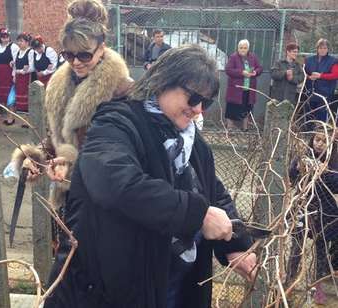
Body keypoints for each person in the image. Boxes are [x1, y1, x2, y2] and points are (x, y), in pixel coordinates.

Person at [43, 44, 256, 308]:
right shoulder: (115, 123)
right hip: (110, 290)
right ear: (162, 82)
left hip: (172, 285)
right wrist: (196, 214)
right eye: (193, 98)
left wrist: (235, 242)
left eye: (206, 102)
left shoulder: (189, 140)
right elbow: (117, 184)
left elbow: (212, 188)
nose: (199, 109)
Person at [6, 0, 132, 247]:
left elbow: (126, 157)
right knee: (66, 265)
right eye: (68, 54)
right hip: (67, 197)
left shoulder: (121, 89)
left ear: (102, 48)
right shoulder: (59, 85)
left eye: (85, 54)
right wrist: (37, 157)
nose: (76, 62)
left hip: (106, 203)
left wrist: (72, 166)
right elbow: (58, 138)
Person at [287, 127, 338, 304]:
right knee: (296, 247)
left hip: (326, 212)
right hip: (303, 208)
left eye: (324, 141)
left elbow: (336, 185)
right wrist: (299, 168)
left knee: (321, 251)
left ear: (331, 143)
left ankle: (319, 290)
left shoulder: (334, 160)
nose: (319, 144)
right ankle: (289, 281)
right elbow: (291, 177)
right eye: (317, 139)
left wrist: (323, 173)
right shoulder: (304, 155)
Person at [225, 39, 263, 131]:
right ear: (238, 48)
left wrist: (255, 72)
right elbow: (228, 70)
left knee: (247, 108)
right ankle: (230, 128)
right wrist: (242, 72)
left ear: (248, 49)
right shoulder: (233, 57)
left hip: (248, 89)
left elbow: (260, 68)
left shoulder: (253, 57)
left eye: (245, 48)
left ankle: (245, 128)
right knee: (232, 108)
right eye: (241, 48)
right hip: (236, 90)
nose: (243, 50)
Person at [304, 38, 338, 123]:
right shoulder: (309, 60)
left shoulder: (333, 61)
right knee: (309, 115)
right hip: (310, 92)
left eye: (325, 48)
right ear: (317, 48)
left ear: (328, 49)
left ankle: (320, 134)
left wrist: (320, 76)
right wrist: (309, 77)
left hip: (325, 93)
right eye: (320, 48)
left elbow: (335, 75)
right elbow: (303, 73)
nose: (322, 50)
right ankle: (309, 133)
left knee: (322, 115)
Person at [3, 32, 34, 125]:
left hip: (27, 79)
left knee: (27, 100)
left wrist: (23, 70)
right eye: (18, 41)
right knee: (11, 99)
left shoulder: (30, 52)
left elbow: (32, 67)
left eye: (21, 41)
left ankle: (27, 121)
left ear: (27, 42)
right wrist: (14, 74)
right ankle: (10, 119)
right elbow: (15, 67)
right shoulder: (18, 52)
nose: (19, 43)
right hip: (18, 79)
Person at [0, 27, 19, 106]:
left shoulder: (13, 46)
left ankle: (10, 108)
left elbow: (17, 60)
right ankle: (2, 108)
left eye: (7, 37)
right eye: (3, 37)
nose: (5, 39)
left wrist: (13, 64)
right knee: (0, 90)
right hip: (0, 73)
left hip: (8, 72)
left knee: (9, 90)